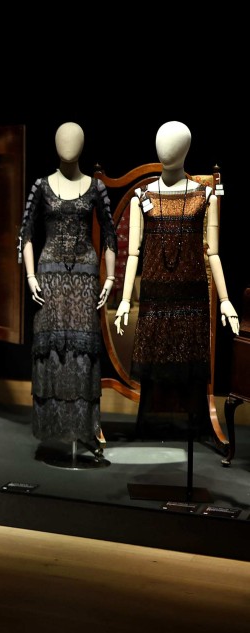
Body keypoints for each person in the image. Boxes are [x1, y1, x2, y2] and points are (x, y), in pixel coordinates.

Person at [114, 121, 238, 436]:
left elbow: (213, 253)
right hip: (155, 296)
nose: (165, 148)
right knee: (157, 369)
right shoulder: (140, 197)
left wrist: (226, 301)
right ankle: (155, 433)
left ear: (185, 150)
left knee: (188, 371)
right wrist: (126, 299)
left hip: (192, 298)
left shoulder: (205, 196)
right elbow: (133, 254)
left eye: (173, 143)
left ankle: (189, 433)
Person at [19, 122, 116, 452]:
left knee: (81, 353)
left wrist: (112, 278)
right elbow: (26, 233)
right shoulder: (41, 187)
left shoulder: (96, 188)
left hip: (85, 277)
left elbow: (110, 234)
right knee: (53, 353)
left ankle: (83, 431)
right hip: (49, 277)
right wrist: (31, 276)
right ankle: (56, 430)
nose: (67, 145)